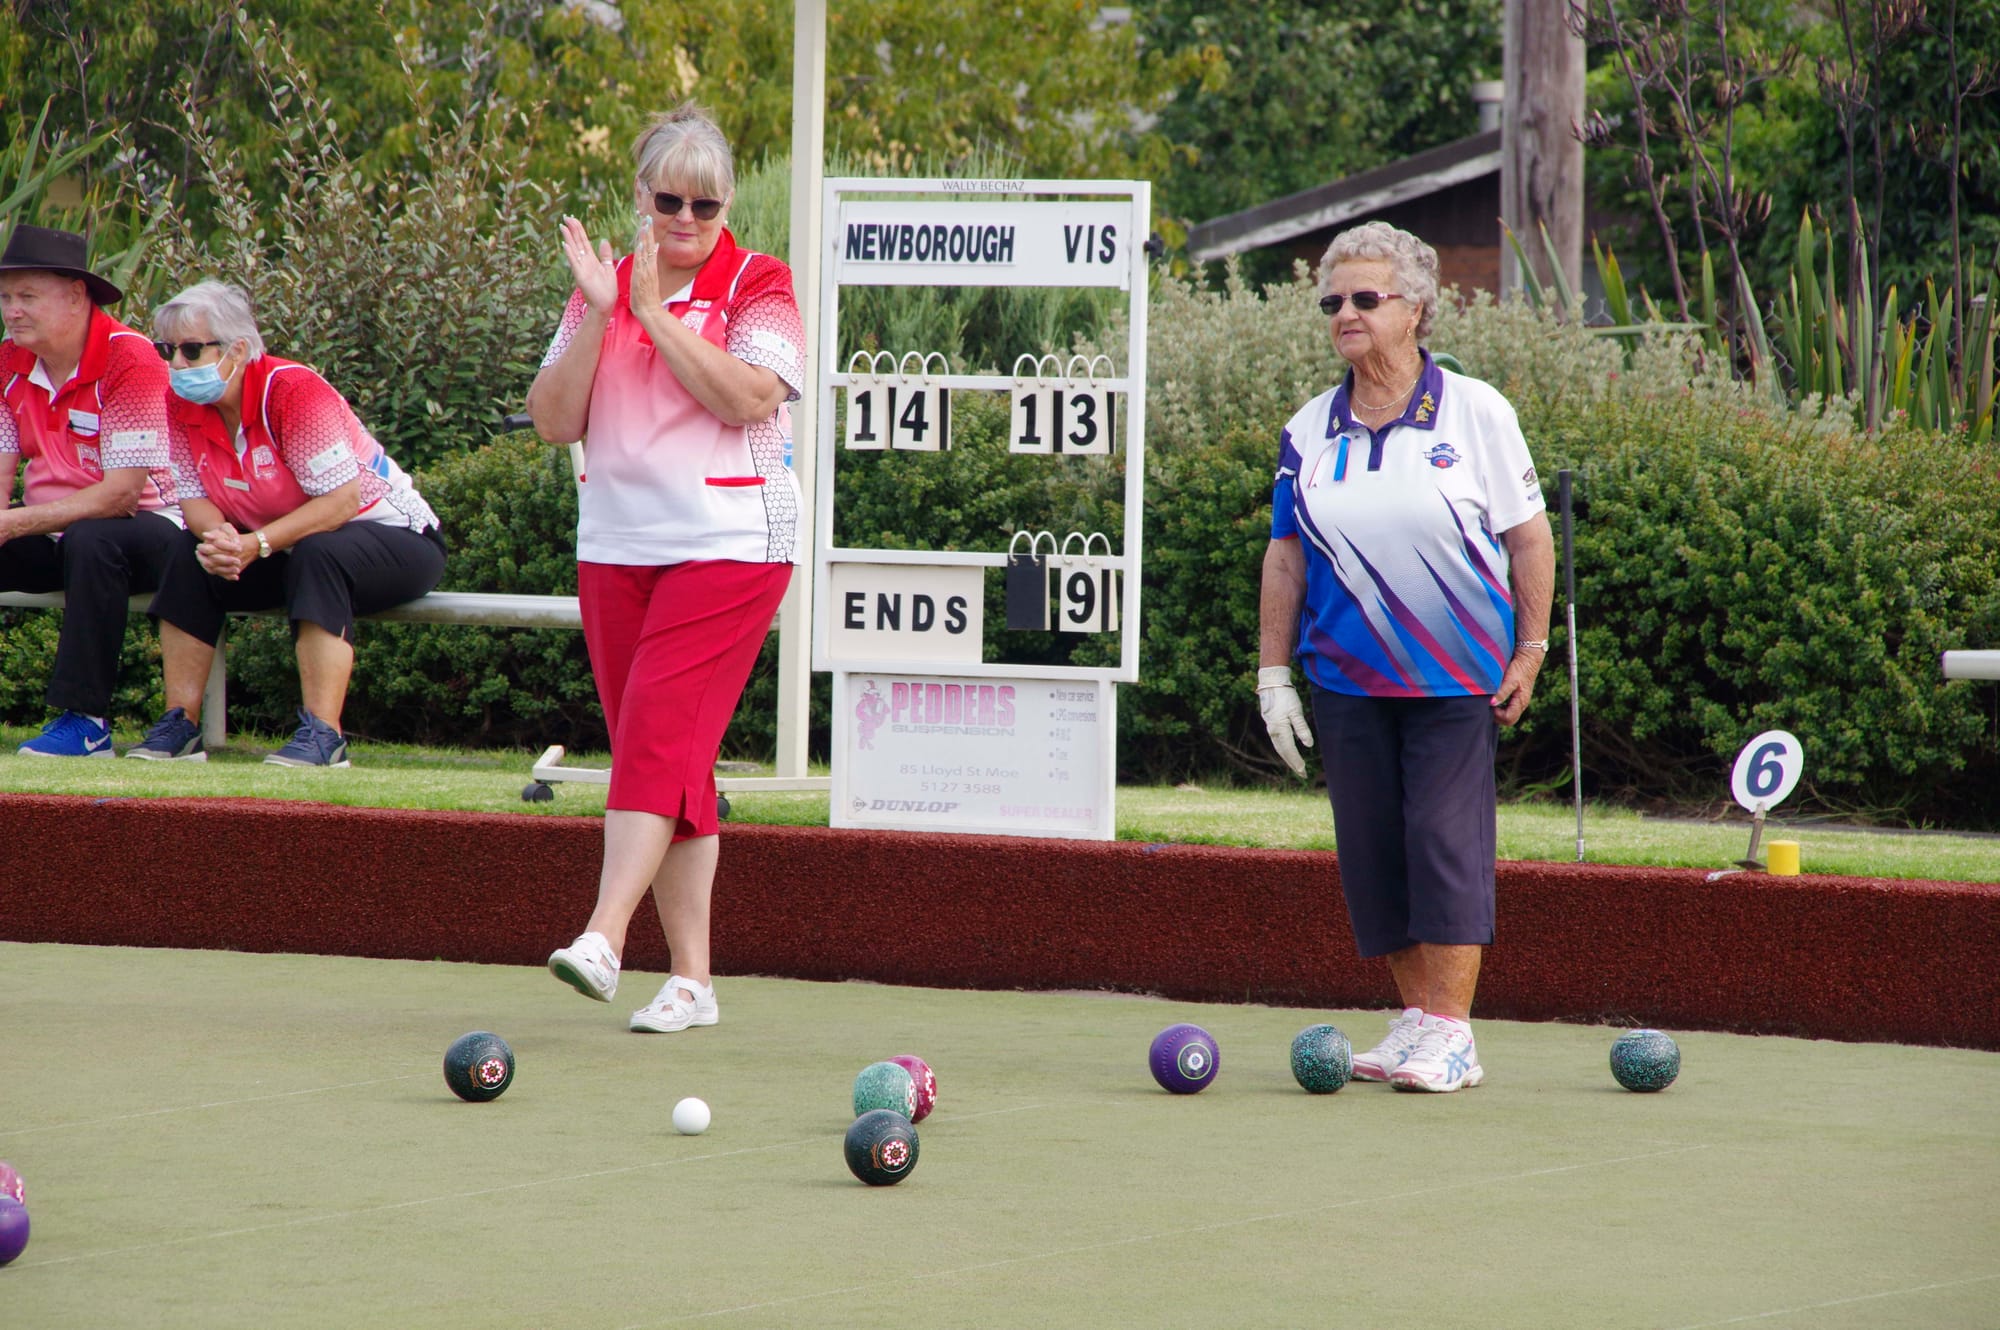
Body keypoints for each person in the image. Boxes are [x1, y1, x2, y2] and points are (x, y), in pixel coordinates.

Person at [1257, 221, 1555, 1093]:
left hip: (1454, 679)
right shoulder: (1308, 429)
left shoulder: (1476, 411)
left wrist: (1531, 650)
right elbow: (1285, 558)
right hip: (1345, 681)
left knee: (1441, 841)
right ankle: (1418, 1020)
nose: (1344, 314)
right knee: (1374, 854)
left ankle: (1455, 1034)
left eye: (1365, 298)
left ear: (1415, 309)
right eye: (1332, 301)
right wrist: (1273, 676)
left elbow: (1529, 540)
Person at [530, 103, 803, 1034]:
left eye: (706, 204)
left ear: (727, 205)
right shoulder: (600, 288)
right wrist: (607, 314)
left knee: (653, 739)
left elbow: (749, 397)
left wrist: (652, 313)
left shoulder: (760, 282)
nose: (686, 219)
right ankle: (693, 981)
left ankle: (604, 937)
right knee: (670, 759)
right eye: (669, 200)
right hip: (617, 546)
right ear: (641, 196)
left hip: (732, 543)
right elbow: (554, 420)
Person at [128, 280, 445, 767]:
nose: (176, 365)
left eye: (190, 350)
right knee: (188, 550)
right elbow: (193, 499)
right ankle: (180, 726)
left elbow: (340, 503)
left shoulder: (293, 391)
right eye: (165, 350)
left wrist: (256, 543)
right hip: (282, 547)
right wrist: (221, 539)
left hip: (397, 539)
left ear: (237, 349)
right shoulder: (177, 402)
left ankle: (324, 737)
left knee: (321, 552)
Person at [0, 224, 184, 756]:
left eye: (27, 296)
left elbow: (120, 496)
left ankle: (87, 722)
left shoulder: (130, 359)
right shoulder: (7, 361)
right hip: (57, 529)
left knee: (93, 538)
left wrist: (12, 522)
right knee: (80, 538)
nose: (13, 311)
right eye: (6, 298)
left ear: (77, 295)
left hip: (157, 528)